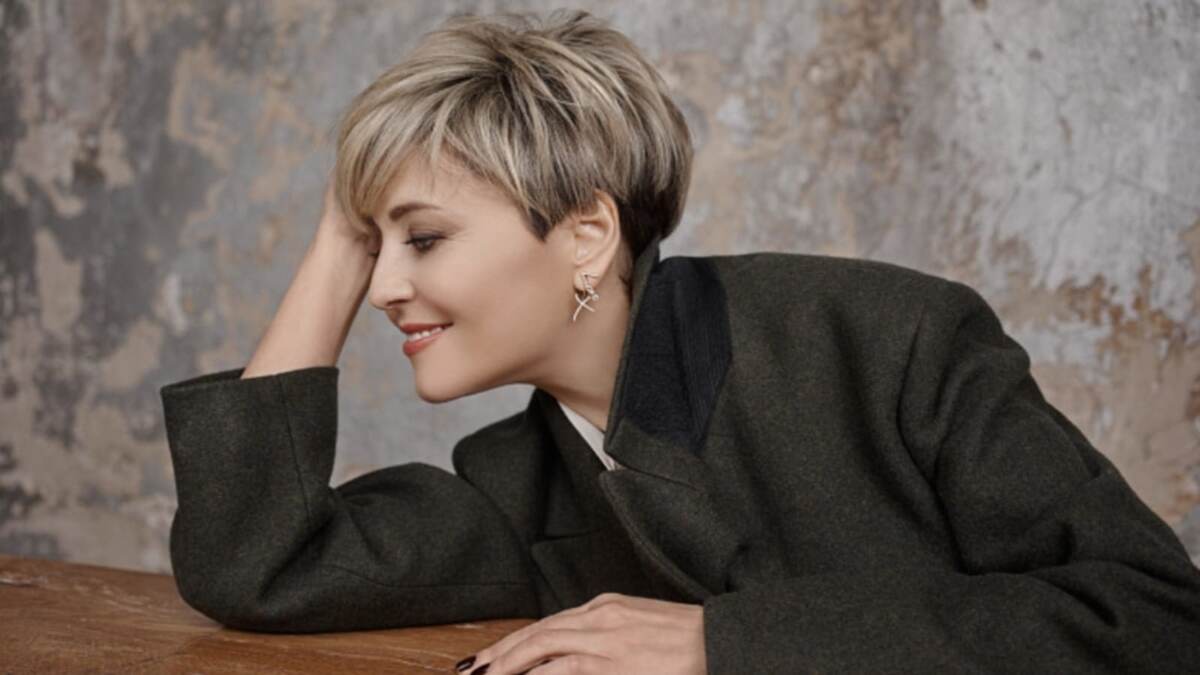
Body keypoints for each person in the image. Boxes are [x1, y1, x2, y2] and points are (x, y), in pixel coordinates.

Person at [159, 9, 1200, 675]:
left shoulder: (889, 341)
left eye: (423, 238)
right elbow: (258, 564)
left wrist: (722, 642)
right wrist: (339, 236)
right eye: (373, 249)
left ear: (587, 235)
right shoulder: (519, 488)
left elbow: (1156, 616)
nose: (385, 288)